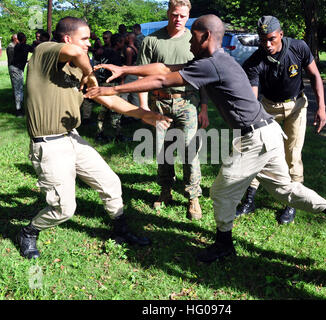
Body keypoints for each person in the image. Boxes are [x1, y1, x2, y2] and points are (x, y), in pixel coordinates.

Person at [85, 14, 326, 263]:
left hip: (255, 139)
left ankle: (223, 246)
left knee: (220, 192)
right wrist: (125, 70)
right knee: (286, 191)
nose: (189, 43)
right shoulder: (214, 60)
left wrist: (113, 92)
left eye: (193, 38)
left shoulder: (210, 64)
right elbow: (162, 69)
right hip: (268, 131)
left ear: (206, 36)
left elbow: (161, 81)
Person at [17, 16, 172, 260]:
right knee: (64, 209)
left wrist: (146, 115)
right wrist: (89, 73)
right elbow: (75, 53)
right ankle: (29, 231)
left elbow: (107, 98)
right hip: (49, 144)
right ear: (68, 38)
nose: (89, 44)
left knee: (111, 183)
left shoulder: (78, 69)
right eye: (85, 38)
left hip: (72, 138)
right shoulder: (44, 52)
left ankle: (120, 229)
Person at [237, 16, 326, 225]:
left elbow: (315, 76)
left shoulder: (299, 48)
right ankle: (249, 200)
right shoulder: (254, 62)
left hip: (296, 106)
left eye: (271, 39)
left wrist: (321, 107)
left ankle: (291, 204)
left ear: (281, 34)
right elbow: (252, 98)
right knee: (259, 150)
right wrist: (250, 124)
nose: (267, 45)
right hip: (268, 107)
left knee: (292, 154)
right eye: (262, 40)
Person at [136, 0, 208, 220]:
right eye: (175, 14)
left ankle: (193, 197)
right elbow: (142, 75)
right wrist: (142, 107)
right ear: (168, 13)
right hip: (159, 103)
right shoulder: (151, 40)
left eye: (183, 16)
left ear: (189, 16)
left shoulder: (193, 40)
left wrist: (204, 107)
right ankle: (166, 190)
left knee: (189, 151)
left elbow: (204, 76)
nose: (178, 19)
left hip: (187, 102)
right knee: (163, 150)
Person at [95, 33, 128, 143]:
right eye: (122, 42)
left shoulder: (105, 51)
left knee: (103, 111)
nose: (124, 44)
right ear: (118, 43)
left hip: (102, 84)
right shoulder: (116, 55)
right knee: (116, 110)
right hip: (112, 85)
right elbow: (120, 72)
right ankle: (118, 134)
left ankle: (99, 133)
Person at [9, 32, 34, 117]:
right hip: (16, 69)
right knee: (18, 89)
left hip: (17, 68)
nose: (25, 38)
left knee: (19, 89)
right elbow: (33, 49)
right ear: (23, 38)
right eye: (24, 37)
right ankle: (18, 110)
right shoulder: (23, 46)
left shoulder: (18, 46)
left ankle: (20, 108)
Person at [6, 34, 19, 99]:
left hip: (16, 67)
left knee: (17, 83)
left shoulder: (15, 46)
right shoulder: (11, 46)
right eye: (18, 38)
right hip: (13, 67)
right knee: (15, 83)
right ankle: (16, 98)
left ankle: (17, 97)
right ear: (15, 39)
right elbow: (12, 59)